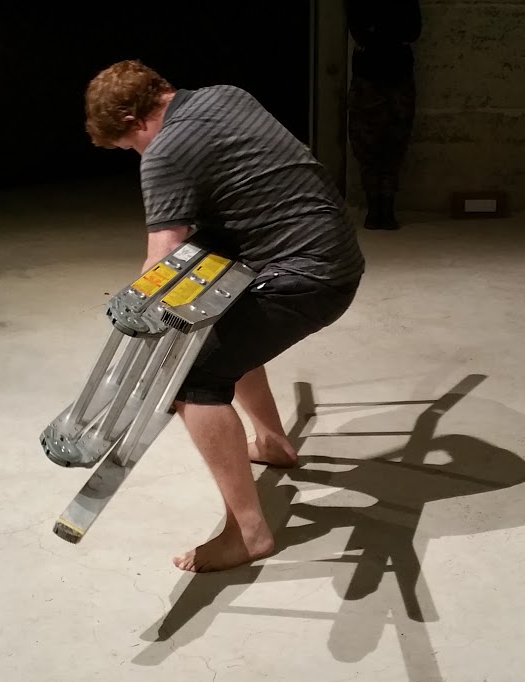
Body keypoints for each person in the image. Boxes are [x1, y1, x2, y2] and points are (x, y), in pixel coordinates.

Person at [84, 60, 364, 572]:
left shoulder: (164, 151)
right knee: (222, 330)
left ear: (133, 119)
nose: (137, 155)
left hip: (307, 277)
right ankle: (273, 443)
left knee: (191, 379)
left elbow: (161, 262)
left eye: (129, 146)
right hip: (336, 252)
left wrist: (138, 318)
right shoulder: (227, 94)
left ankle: (248, 533)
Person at [347, 0, 422, 231]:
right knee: (366, 143)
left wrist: (379, 30)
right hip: (370, 76)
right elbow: (360, 32)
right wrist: (390, 31)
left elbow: (413, 31)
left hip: (396, 75)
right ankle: (374, 206)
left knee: (395, 141)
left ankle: (386, 207)